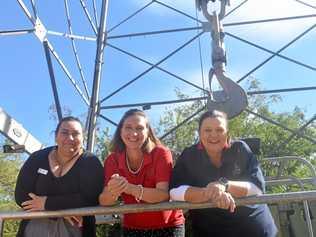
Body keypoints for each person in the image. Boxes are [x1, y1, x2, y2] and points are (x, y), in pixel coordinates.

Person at [169, 110, 277, 237]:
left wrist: (224, 185)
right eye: (207, 130)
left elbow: (257, 188)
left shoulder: (240, 149)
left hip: (254, 228)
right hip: (210, 230)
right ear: (199, 133)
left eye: (219, 130)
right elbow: (175, 191)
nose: (213, 135)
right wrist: (209, 193)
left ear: (227, 133)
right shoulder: (189, 155)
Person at [99, 109, 185, 237]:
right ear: (120, 131)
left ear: (148, 132)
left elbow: (163, 194)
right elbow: (104, 201)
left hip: (169, 225)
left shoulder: (161, 153)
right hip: (132, 227)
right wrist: (114, 190)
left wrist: (129, 188)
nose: (133, 133)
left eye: (139, 128)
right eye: (128, 127)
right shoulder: (112, 160)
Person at [15, 116, 104, 237]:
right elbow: (21, 195)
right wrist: (62, 211)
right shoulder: (37, 158)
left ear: (83, 138)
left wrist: (46, 204)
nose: (70, 138)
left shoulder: (91, 162)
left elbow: (91, 198)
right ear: (56, 136)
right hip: (35, 227)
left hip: (76, 229)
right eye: (64, 132)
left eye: (76, 134)